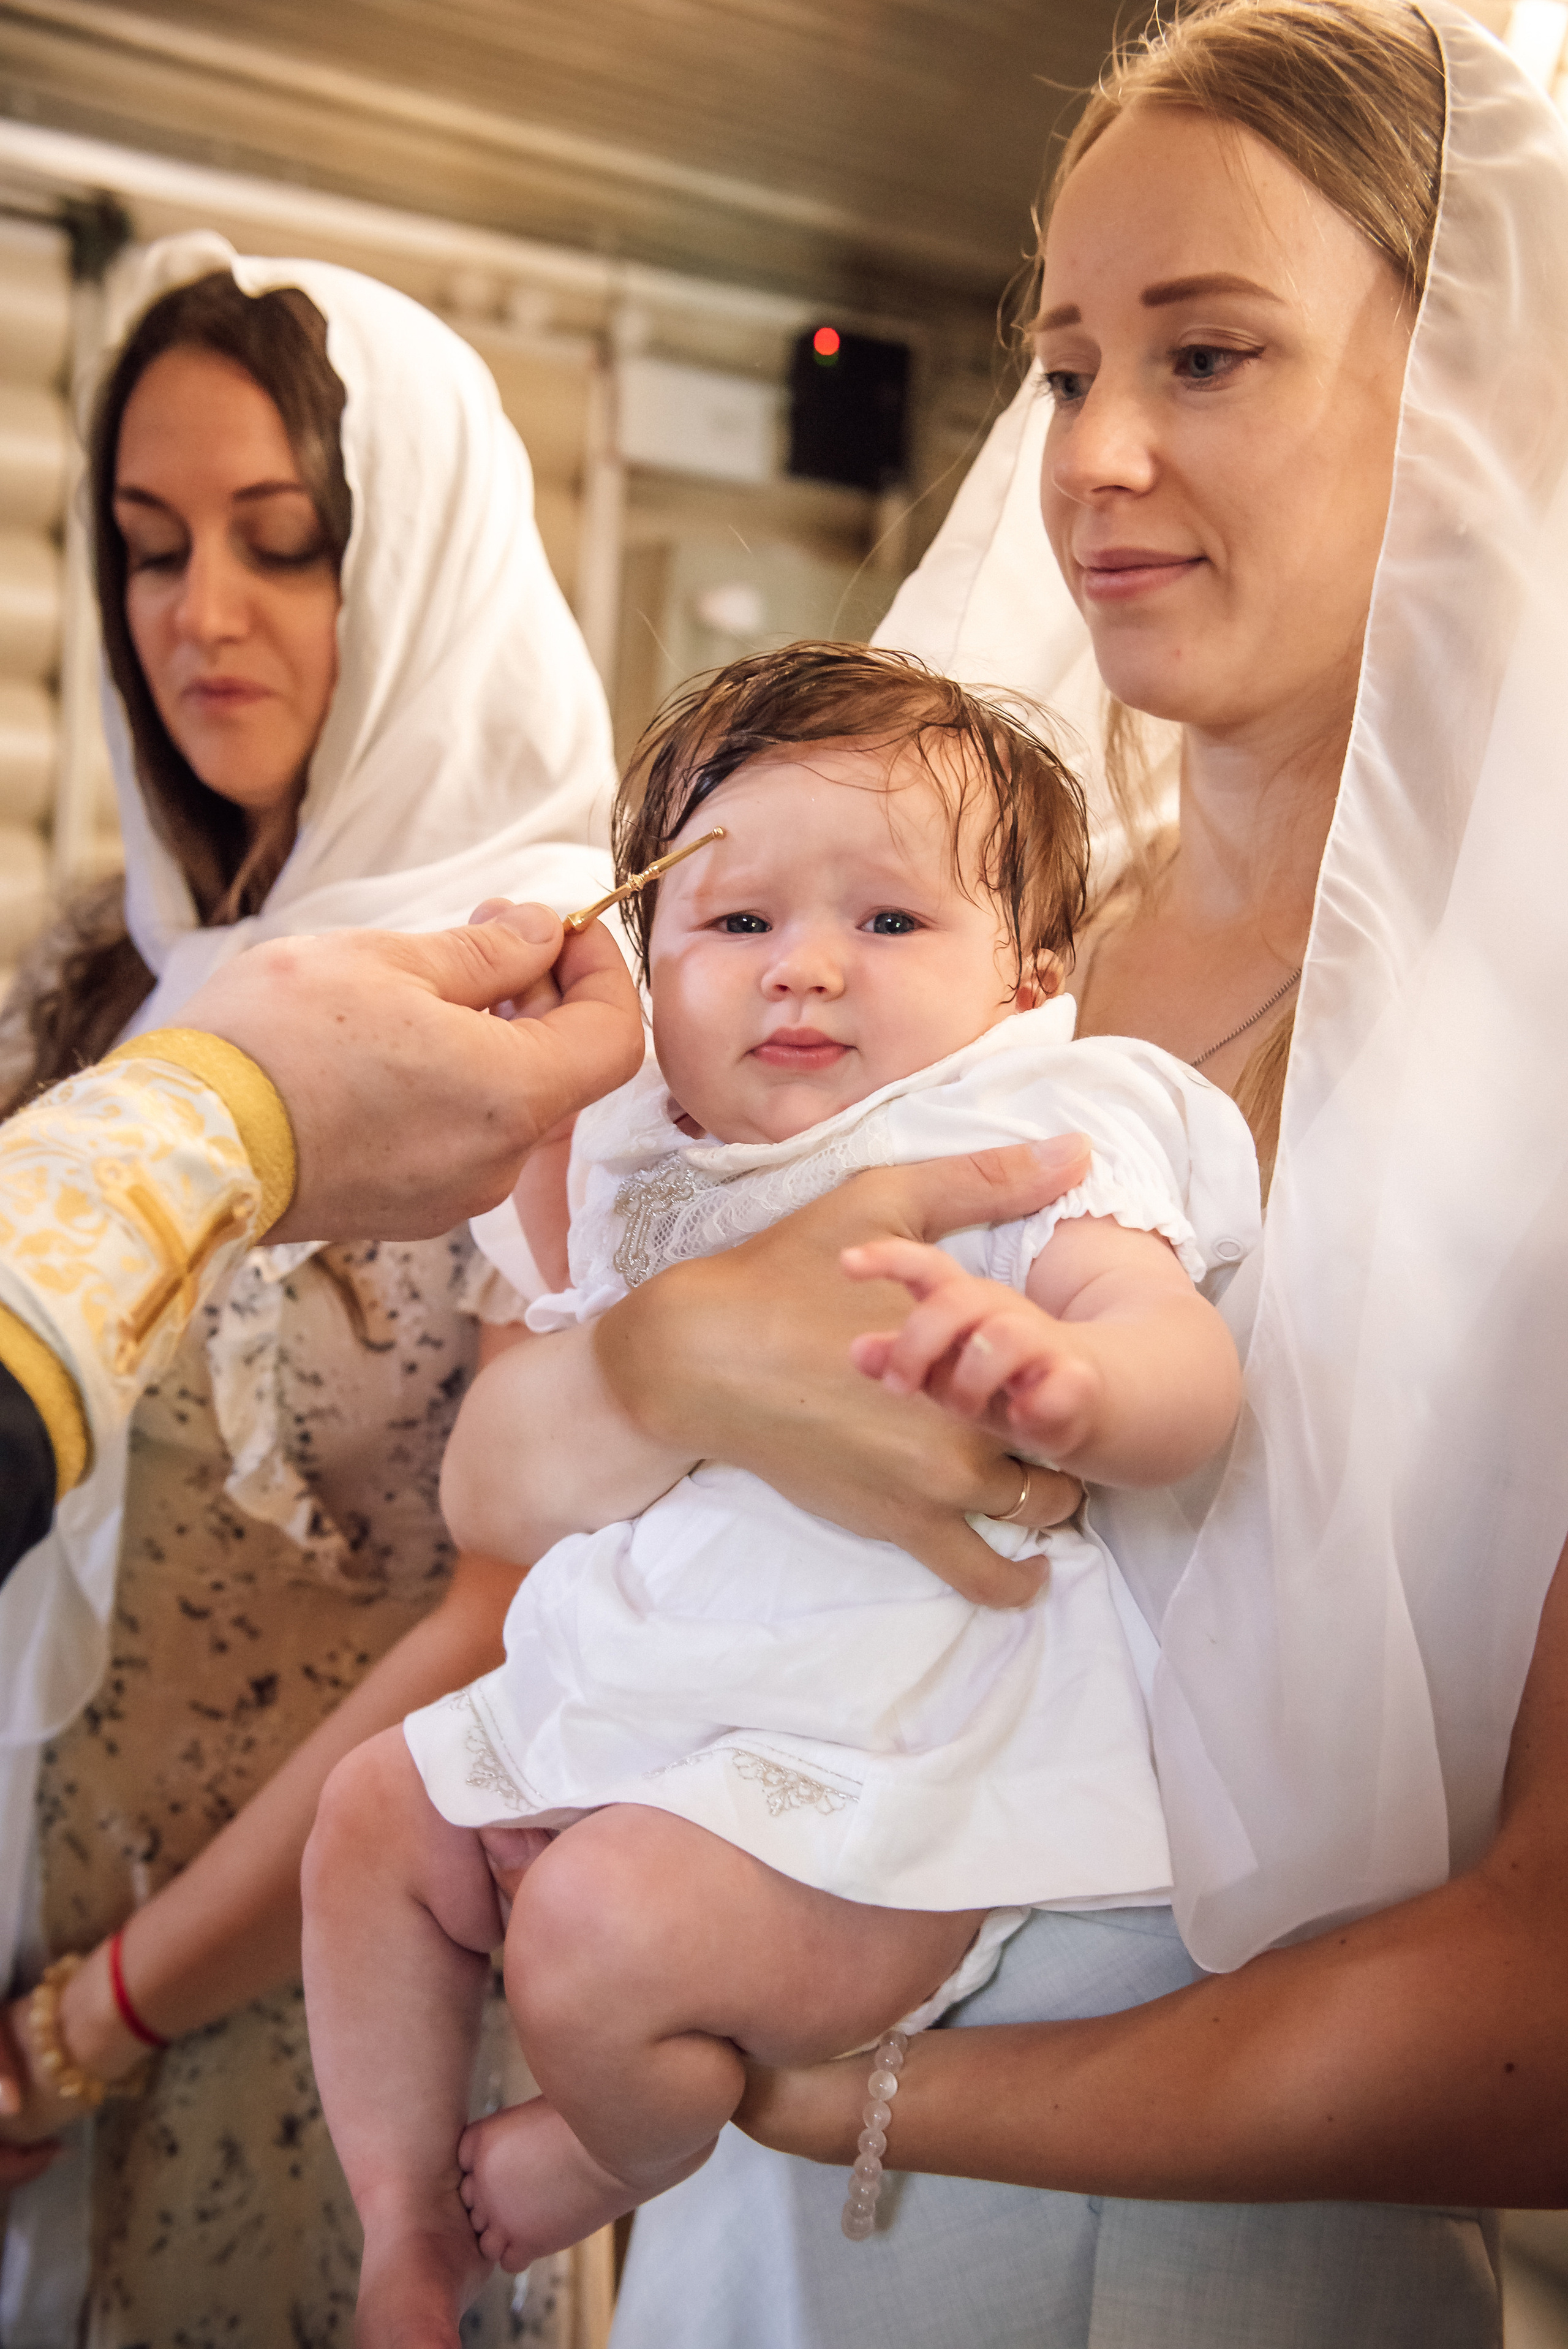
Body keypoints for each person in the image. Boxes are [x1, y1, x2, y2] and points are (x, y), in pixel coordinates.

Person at [457, 4, 1568, 2343]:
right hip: (755, 2230)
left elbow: (1545, 2011)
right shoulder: (947, 968)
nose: (1097, 455)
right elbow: (532, 1523)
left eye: (1210, 351)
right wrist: (664, 1354)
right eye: (1064, 367)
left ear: (1478, 384)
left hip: (1217, 2251)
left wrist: (850, 2081)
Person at [300, 643, 1256, 2342]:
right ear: (654, 966)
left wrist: (1070, 1381)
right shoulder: (664, 1160)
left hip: (880, 1778)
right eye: (733, 926)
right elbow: (539, 1360)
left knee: (595, 1931)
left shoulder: (1033, 1126)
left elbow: (1183, 1363)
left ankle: (597, 2159)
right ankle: (400, 2228)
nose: (806, 965)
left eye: (888, 924)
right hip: (644, 1713)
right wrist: (545, 1093)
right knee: (370, 1817)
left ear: (1030, 978)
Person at [0, 232, 616, 2347]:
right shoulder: (109, 980)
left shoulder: (565, 1013)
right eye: (151, 549)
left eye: (284, 543)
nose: (200, 615)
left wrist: (103, 2011)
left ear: (426, 562)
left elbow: (503, 1620)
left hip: (315, 2014)